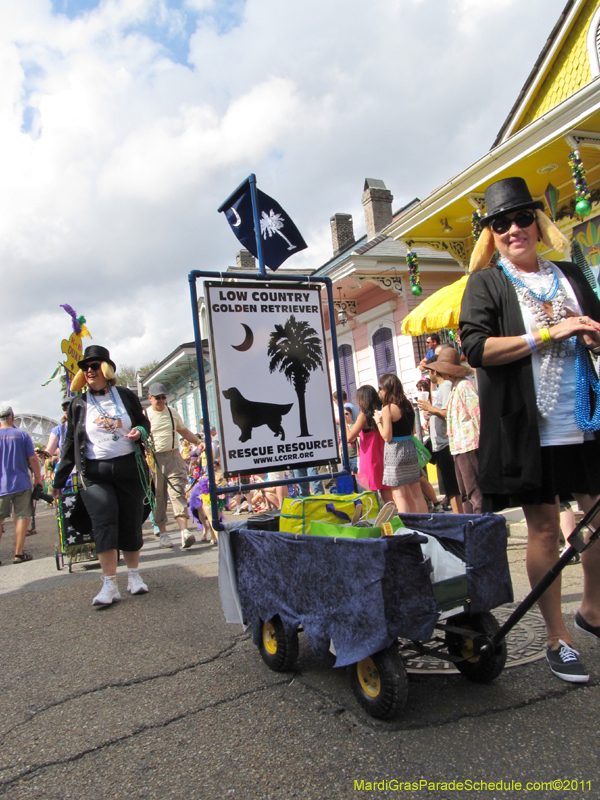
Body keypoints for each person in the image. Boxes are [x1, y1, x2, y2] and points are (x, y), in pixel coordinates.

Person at [460, 175, 600, 683]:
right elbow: (477, 348)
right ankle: (557, 638)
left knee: (595, 516)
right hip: (528, 427)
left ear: (538, 224)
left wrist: (592, 335)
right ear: (492, 235)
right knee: (543, 527)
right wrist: (550, 332)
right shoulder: (486, 283)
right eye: (501, 223)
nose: (513, 229)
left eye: (522, 218)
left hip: (584, 418)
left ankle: (593, 610)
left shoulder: (570, 274)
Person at [52, 346, 151, 606]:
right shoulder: (78, 404)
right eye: (86, 367)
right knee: (104, 521)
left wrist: (140, 431)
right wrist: (58, 480)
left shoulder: (125, 395)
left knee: (131, 520)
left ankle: (134, 576)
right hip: (95, 474)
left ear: (106, 369)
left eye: (94, 366)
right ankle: (109, 584)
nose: (89, 370)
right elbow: (70, 443)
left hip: (129, 469)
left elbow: (144, 423)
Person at [146, 382, 203, 549]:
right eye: (157, 398)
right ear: (150, 398)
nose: (161, 401)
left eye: (163, 397)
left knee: (178, 491)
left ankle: (184, 532)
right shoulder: (145, 415)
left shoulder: (172, 413)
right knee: (158, 497)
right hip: (154, 459)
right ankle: (163, 533)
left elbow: (183, 431)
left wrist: (199, 442)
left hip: (173, 456)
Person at [430, 349, 481, 513]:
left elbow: (477, 414)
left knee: (475, 493)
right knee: (464, 493)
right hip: (458, 447)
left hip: (468, 446)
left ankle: (481, 522)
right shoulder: (454, 387)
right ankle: (470, 522)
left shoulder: (464, 386)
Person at [374, 374, 427, 513]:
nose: (380, 391)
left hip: (395, 451)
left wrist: (378, 421)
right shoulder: (407, 405)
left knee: (399, 494)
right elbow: (412, 431)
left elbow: (387, 437)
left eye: (381, 388)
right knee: (417, 493)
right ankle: (424, 520)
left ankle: (406, 523)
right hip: (409, 448)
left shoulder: (388, 408)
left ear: (387, 389)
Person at [0, 405, 44, 564]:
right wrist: (38, 478)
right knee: (21, 517)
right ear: (12, 418)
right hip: (21, 483)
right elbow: (32, 458)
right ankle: (18, 554)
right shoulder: (22, 435)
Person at [347, 385, 390, 500]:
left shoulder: (364, 415)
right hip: (383, 455)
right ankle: (392, 511)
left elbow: (349, 437)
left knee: (368, 491)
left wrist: (345, 423)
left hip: (369, 457)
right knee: (385, 488)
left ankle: (375, 511)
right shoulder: (381, 412)